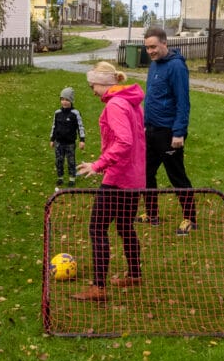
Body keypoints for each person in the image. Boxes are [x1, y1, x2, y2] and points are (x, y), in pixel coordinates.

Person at [72, 62, 146, 302]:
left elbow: (124, 142)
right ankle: (135, 274)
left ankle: (98, 287)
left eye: (92, 84)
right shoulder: (132, 102)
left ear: (102, 83)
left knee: (97, 228)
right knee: (125, 227)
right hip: (135, 177)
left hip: (118, 178)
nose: (92, 90)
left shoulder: (115, 105)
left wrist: (98, 165)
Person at [140, 26, 196, 236]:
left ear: (165, 43)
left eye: (153, 46)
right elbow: (151, 97)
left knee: (176, 176)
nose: (150, 51)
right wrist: (145, 124)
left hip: (169, 133)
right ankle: (152, 214)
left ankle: (190, 218)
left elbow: (183, 102)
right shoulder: (154, 65)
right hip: (152, 131)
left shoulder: (176, 67)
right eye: (147, 48)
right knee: (146, 172)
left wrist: (179, 132)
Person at [49, 86, 86, 189]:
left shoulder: (75, 113)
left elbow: (80, 127)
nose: (64, 102)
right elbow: (54, 126)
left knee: (71, 161)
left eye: (67, 100)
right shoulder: (57, 113)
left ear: (71, 100)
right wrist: (52, 139)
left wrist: (82, 140)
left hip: (70, 143)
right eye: (62, 99)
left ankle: (72, 178)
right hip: (59, 142)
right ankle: (60, 177)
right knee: (59, 160)